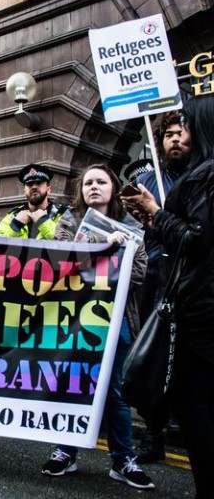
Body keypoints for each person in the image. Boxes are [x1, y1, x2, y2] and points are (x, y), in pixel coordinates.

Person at [122, 95, 214, 498]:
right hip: (195, 300)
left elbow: (195, 241)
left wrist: (157, 213)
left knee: (193, 404)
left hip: (200, 308)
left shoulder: (204, 177)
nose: (182, 136)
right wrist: (153, 219)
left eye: (187, 126)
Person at [41, 164, 153, 490]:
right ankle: (66, 451)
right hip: (75, 320)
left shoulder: (131, 227)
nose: (93, 187)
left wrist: (111, 253)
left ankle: (123, 459)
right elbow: (61, 263)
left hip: (117, 323)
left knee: (115, 393)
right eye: (88, 182)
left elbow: (139, 273)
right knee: (72, 386)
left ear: (113, 188)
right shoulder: (67, 222)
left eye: (101, 181)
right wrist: (104, 245)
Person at [130, 111, 190, 464]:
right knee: (152, 354)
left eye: (181, 133)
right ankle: (154, 433)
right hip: (156, 277)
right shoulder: (148, 181)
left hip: (191, 280)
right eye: (168, 134)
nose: (175, 139)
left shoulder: (201, 177)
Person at [0, 163, 67, 239]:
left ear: (48, 189)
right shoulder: (12, 216)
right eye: (29, 184)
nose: (34, 187)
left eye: (39, 183)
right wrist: (15, 225)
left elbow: (67, 242)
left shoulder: (62, 214)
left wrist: (44, 221)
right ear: (24, 191)